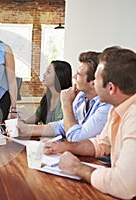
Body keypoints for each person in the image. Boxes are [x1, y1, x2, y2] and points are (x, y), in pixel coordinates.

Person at [45, 47, 136, 199]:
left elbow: (122, 185)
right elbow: (100, 144)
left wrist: (78, 168)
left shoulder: (133, 117)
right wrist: (62, 146)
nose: (93, 84)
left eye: (96, 79)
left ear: (111, 88)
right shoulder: (118, 110)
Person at [18, 51, 112, 142]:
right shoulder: (81, 97)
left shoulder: (106, 106)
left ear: (93, 83)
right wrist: (27, 129)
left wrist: (66, 104)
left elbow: (77, 138)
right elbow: (61, 126)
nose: (74, 76)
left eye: (78, 74)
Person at [22, 60, 72, 124]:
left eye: (48, 72)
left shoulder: (67, 100)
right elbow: (37, 116)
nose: (44, 74)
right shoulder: (46, 98)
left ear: (59, 76)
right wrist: (22, 122)